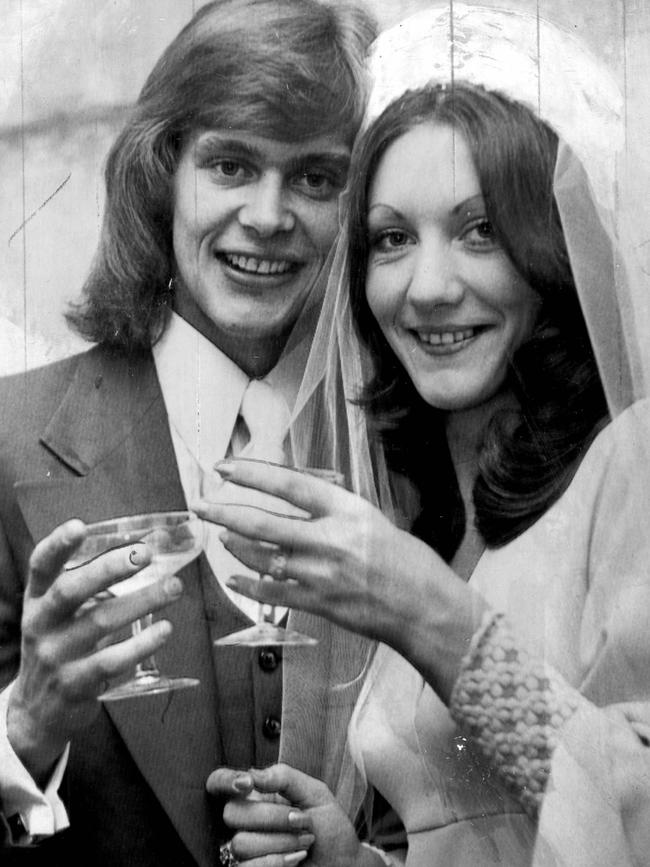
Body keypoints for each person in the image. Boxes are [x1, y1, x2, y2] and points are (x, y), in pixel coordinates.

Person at [197, 5, 650, 865]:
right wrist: (352, 857)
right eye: (393, 238)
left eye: (481, 231)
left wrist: (434, 617)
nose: (428, 286)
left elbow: (636, 815)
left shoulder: (635, 463)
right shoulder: (424, 508)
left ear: (557, 243)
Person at [0, 1, 376, 864]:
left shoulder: (403, 449)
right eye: (232, 165)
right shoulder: (9, 439)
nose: (270, 215)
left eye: (318, 177)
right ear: (162, 173)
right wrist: (21, 731)